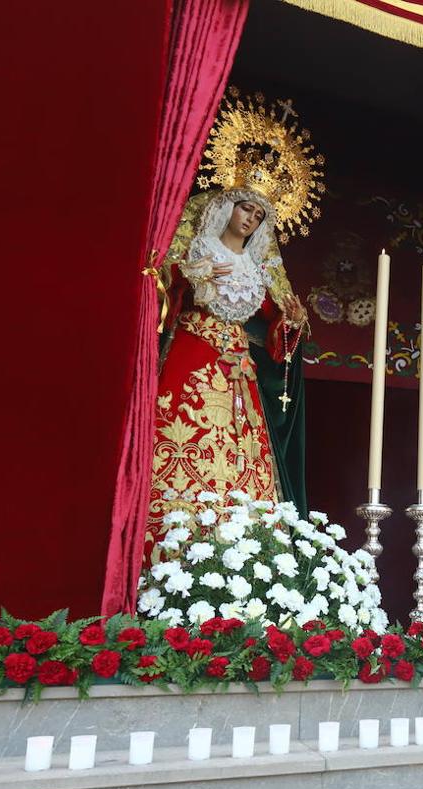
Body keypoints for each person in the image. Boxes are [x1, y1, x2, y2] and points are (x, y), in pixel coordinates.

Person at [146, 89, 319, 553]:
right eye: (246, 207)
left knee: (243, 457)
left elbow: (277, 328)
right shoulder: (198, 245)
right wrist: (191, 273)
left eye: (260, 215)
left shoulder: (259, 267)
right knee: (181, 439)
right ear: (228, 203)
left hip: (238, 371)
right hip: (192, 354)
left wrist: (293, 320)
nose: (250, 218)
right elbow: (160, 282)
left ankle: (238, 556)